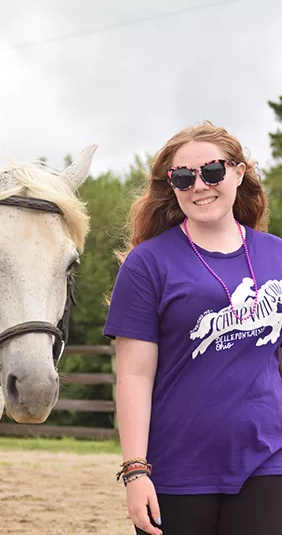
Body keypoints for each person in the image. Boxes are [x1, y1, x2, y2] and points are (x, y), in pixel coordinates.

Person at [104, 121, 282, 535]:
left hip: (269, 459)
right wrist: (134, 471)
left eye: (214, 171)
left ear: (238, 173)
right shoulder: (147, 264)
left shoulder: (277, 256)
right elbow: (133, 375)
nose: (200, 185)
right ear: (173, 186)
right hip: (178, 470)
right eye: (185, 177)